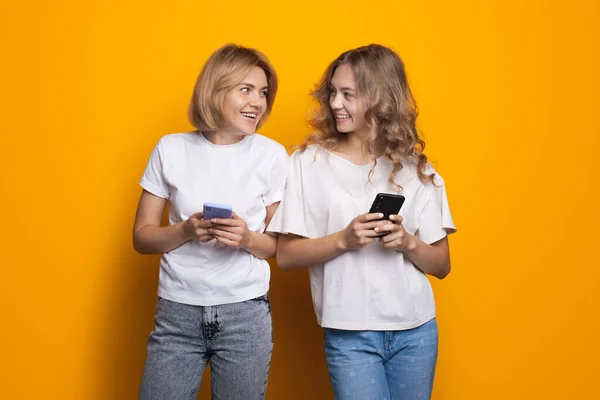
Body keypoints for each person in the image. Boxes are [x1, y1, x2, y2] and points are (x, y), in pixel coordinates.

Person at [268, 44, 456, 399]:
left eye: (348, 95)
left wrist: (406, 242)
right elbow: (287, 255)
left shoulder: (418, 170)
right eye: (333, 93)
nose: (335, 103)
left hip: (416, 331)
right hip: (349, 333)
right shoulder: (307, 162)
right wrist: (345, 239)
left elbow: (442, 265)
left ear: (380, 98)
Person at [133, 43, 288, 400]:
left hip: (245, 315)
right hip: (177, 313)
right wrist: (185, 230)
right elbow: (142, 238)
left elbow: (282, 247)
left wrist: (247, 238)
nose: (258, 103)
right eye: (245, 90)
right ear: (216, 89)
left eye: (263, 93)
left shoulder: (272, 155)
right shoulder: (170, 149)